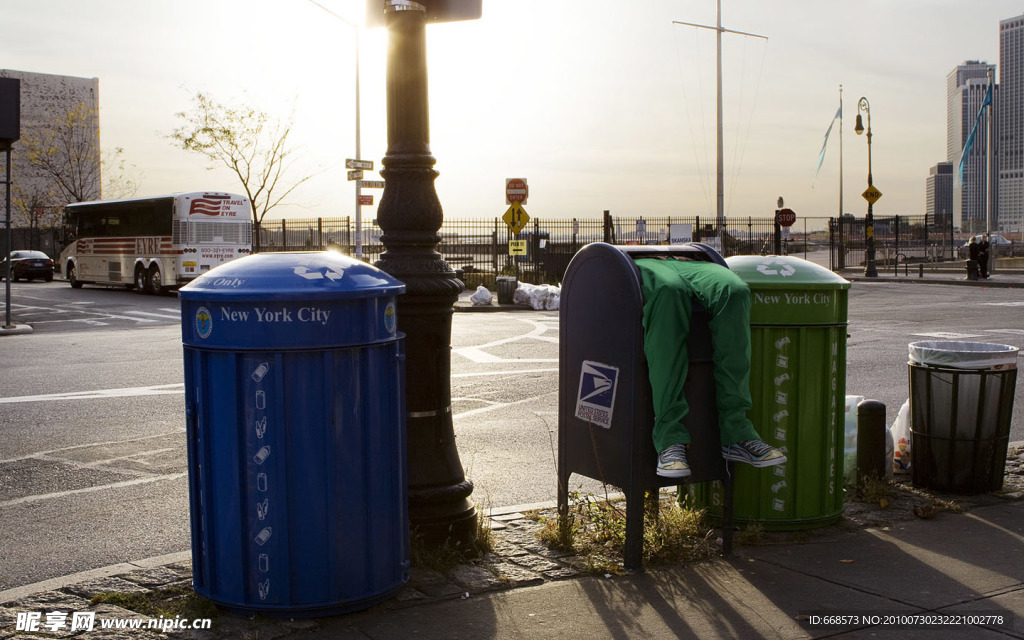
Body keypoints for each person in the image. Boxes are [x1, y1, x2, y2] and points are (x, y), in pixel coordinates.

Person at [635, 256, 787, 478]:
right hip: (641, 258)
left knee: (735, 291)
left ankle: (737, 432)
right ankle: (669, 438)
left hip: (692, 258)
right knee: (669, 291)